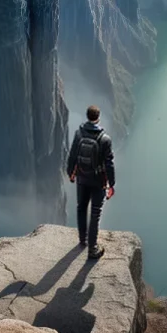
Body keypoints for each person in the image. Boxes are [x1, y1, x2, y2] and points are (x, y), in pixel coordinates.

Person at [67, 105, 115, 259]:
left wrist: (70, 173)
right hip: (98, 181)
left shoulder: (78, 134)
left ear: (87, 116)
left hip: (82, 177)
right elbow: (109, 164)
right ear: (98, 117)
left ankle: (83, 239)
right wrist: (111, 184)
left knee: (81, 207)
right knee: (95, 213)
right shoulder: (105, 139)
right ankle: (92, 249)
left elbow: (72, 155)